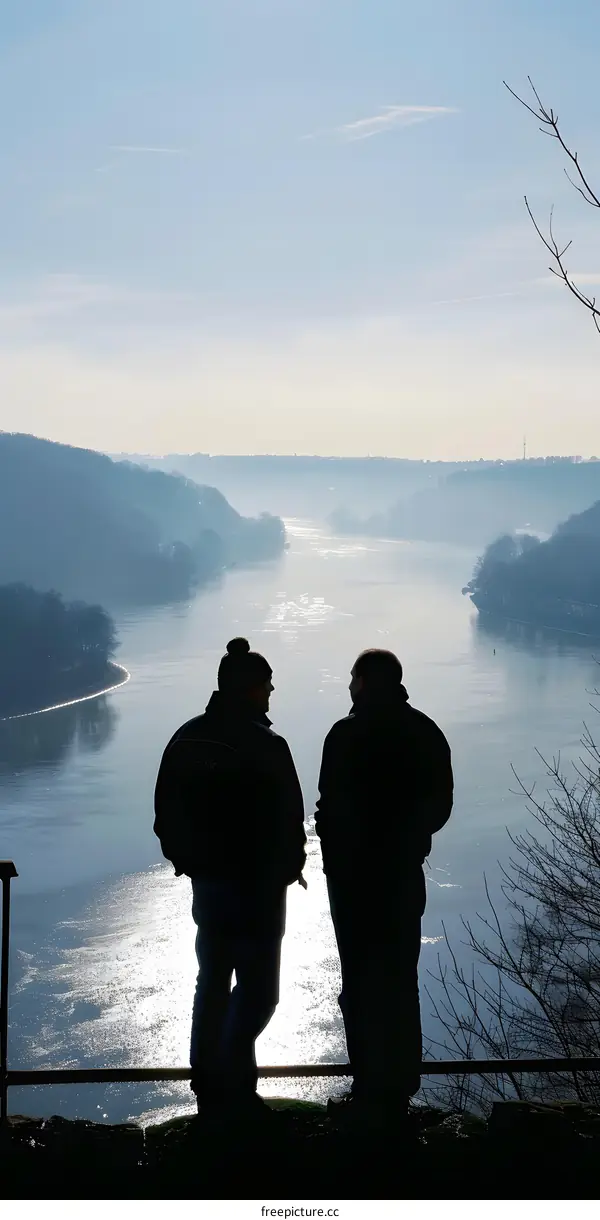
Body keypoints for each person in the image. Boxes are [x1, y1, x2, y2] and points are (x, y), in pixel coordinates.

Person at [154, 637, 306, 1121]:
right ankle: (229, 1075)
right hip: (259, 888)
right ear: (251, 689)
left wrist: (187, 861)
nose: (272, 691)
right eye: (267, 684)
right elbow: (290, 818)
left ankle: (213, 1084)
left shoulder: (187, 737)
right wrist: (288, 868)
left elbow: (165, 812)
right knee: (260, 990)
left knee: (213, 981)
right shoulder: (266, 744)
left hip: (211, 885)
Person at [315, 648, 453, 1128]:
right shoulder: (425, 731)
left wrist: (337, 855)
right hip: (400, 875)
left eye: (351, 678)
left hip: (353, 880)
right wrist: (407, 839)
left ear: (361, 683)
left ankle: (368, 1086)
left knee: (358, 981)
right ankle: (398, 1090)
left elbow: (326, 807)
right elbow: (439, 806)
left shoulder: (345, 735)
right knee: (398, 978)